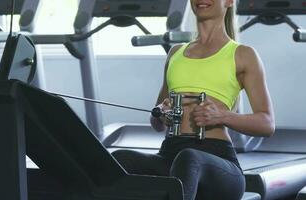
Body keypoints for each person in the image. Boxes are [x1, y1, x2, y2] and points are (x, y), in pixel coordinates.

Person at [111, 0, 275, 199]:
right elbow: (156, 123)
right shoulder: (176, 53)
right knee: (119, 159)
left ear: (229, 2)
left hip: (216, 162)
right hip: (169, 156)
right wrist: (161, 113)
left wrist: (222, 116)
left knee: (189, 159)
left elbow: (266, 124)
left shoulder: (242, 54)